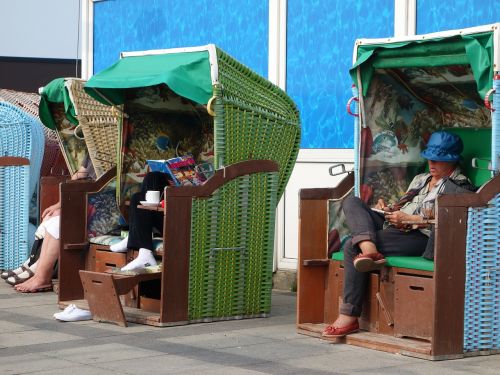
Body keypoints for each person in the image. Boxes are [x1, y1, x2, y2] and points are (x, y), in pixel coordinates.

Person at [322, 131, 471, 338]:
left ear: (452, 160)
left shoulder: (459, 188)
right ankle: (369, 248)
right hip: (395, 227)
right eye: (429, 158)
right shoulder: (421, 179)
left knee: (350, 245)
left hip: (422, 237)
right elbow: (407, 204)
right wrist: (389, 209)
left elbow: (452, 222)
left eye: (438, 160)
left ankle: (349, 315)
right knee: (352, 202)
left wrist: (410, 220)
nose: (432, 164)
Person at [12, 160, 95, 293]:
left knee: (58, 223)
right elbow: (76, 178)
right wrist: (58, 205)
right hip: (84, 204)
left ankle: (41, 277)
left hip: (98, 211)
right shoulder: (92, 153)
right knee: (51, 219)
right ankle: (36, 270)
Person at [108, 171, 170, 271]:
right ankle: (142, 248)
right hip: (169, 206)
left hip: (179, 218)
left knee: (154, 177)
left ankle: (140, 247)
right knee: (138, 197)